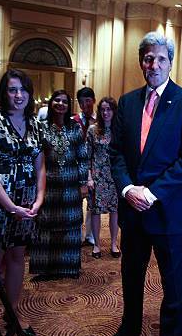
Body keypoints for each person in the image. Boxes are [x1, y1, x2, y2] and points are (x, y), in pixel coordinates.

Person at [99, 32, 182, 336]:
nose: (153, 64)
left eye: (160, 58)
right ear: (140, 62)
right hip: (132, 210)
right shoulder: (127, 102)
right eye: (148, 58)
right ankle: (129, 332)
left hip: (169, 212)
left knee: (174, 288)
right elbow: (115, 153)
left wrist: (152, 193)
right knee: (131, 278)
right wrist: (129, 188)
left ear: (170, 63)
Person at [0, 69, 45, 336]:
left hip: (27, 204)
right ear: (4, 93)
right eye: (13, 90)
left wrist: (39, 199)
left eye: (24, 90)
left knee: (17, 258)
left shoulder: (37, 126)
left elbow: (40, 168)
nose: (19, 96)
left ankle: (12, 310)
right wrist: (10, 206)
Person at [29, 90, 88, 279]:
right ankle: (45, 268)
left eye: (64, 101)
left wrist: (83, 183)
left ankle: (68, 267)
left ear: (69, 105)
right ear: (51, 102)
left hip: (71, 185)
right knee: (46, 223)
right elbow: (34, 157)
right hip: (47, 185)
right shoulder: (41, 128)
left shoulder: (75, 128)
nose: (61, 104)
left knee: (70, 223)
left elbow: (83, 157)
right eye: (57, 100)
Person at [86, 97, 119, 258]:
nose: (106, 112)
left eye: (109, 109)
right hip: (97, 176)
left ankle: (114, 243)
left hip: (114, 176)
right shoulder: (93, 130)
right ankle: (97, 245)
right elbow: (87, 156)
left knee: (115, 211)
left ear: (114, 111)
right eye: (103, 109)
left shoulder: (119, 130)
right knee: (95, 211)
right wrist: (89, 177)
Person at [73, 87, 97, 247]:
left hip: (93, 166)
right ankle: (76, 234)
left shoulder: (99, 120)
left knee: (92, 202)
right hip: (75, 165)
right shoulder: (73, 120)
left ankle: (89, 235)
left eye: (88, 100)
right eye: (81, 102)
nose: (85, 104)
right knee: (75, 202)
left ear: (93, 101)